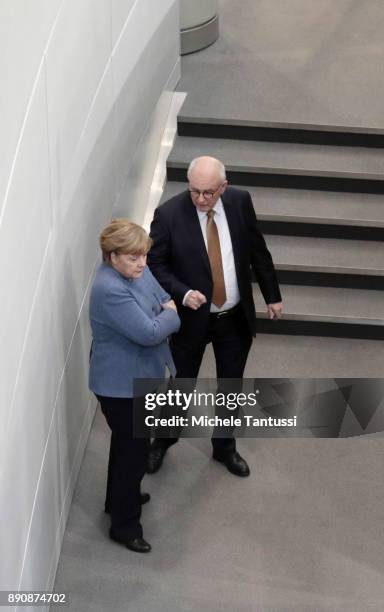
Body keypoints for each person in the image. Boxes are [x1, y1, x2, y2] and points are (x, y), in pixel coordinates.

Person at [147, 156, 282, 477]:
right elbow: (155, 265)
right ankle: (162, 442)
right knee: (180, 384)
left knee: (230, 385)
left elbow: (257, 251)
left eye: (209, 192)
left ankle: (224, 447)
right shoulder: (168, 214)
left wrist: (272, 295)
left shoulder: (239, 202)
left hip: (234, 318)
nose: (201, 199)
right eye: (195, 191)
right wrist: (181, 292)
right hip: (192, 320)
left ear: (224, 186)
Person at [89, 219, 180, 553]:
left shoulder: (136, 273)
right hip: (121, 388)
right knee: (133, 454)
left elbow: (164, 298)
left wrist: (164, 313)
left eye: (143, 255)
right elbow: (151, 331)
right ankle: (125, 526)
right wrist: (167, 316)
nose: (142, 263)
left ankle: (118, 501)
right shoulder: (110, 289)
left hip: (138, 379)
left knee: (126, 447)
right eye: (132, 257)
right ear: (111, 257)